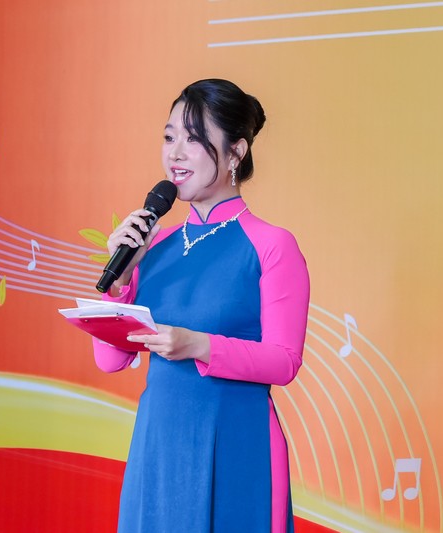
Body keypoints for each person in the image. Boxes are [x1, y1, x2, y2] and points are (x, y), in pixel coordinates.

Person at [93, 78, 310, 533]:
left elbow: (284, 361)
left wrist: (199, 345)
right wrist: (124, 278)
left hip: (237, 443)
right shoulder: (155, 245)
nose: (174, 153)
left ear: (235, 153)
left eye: (193, 139)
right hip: (158, 447)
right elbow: (110, 360)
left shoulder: (272, 245)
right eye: (169, 136)